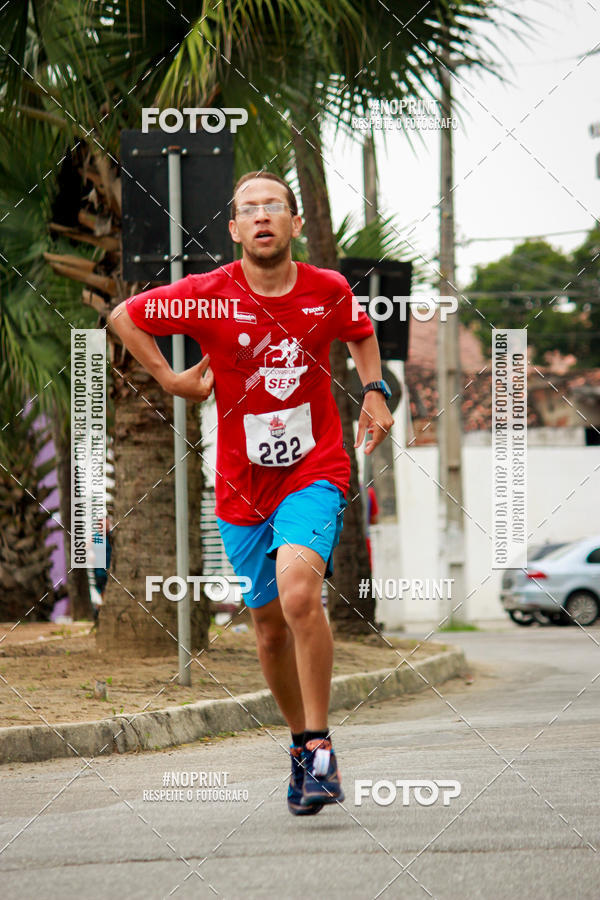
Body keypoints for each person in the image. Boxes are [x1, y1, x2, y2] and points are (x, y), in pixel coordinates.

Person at [109, 171, 393, 815]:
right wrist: (171, 379)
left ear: (294, 224)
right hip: (240, 484)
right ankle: (298, 747)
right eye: (249, 209)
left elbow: (361, 332)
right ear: (235, 230)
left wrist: (374, 391)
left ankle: (320, 746)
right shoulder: (207, 296)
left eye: (275, 206)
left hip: (313, 470)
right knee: (267, 632)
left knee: (300, 593)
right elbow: (124, 315)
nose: (263, 216)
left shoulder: (327, 289)